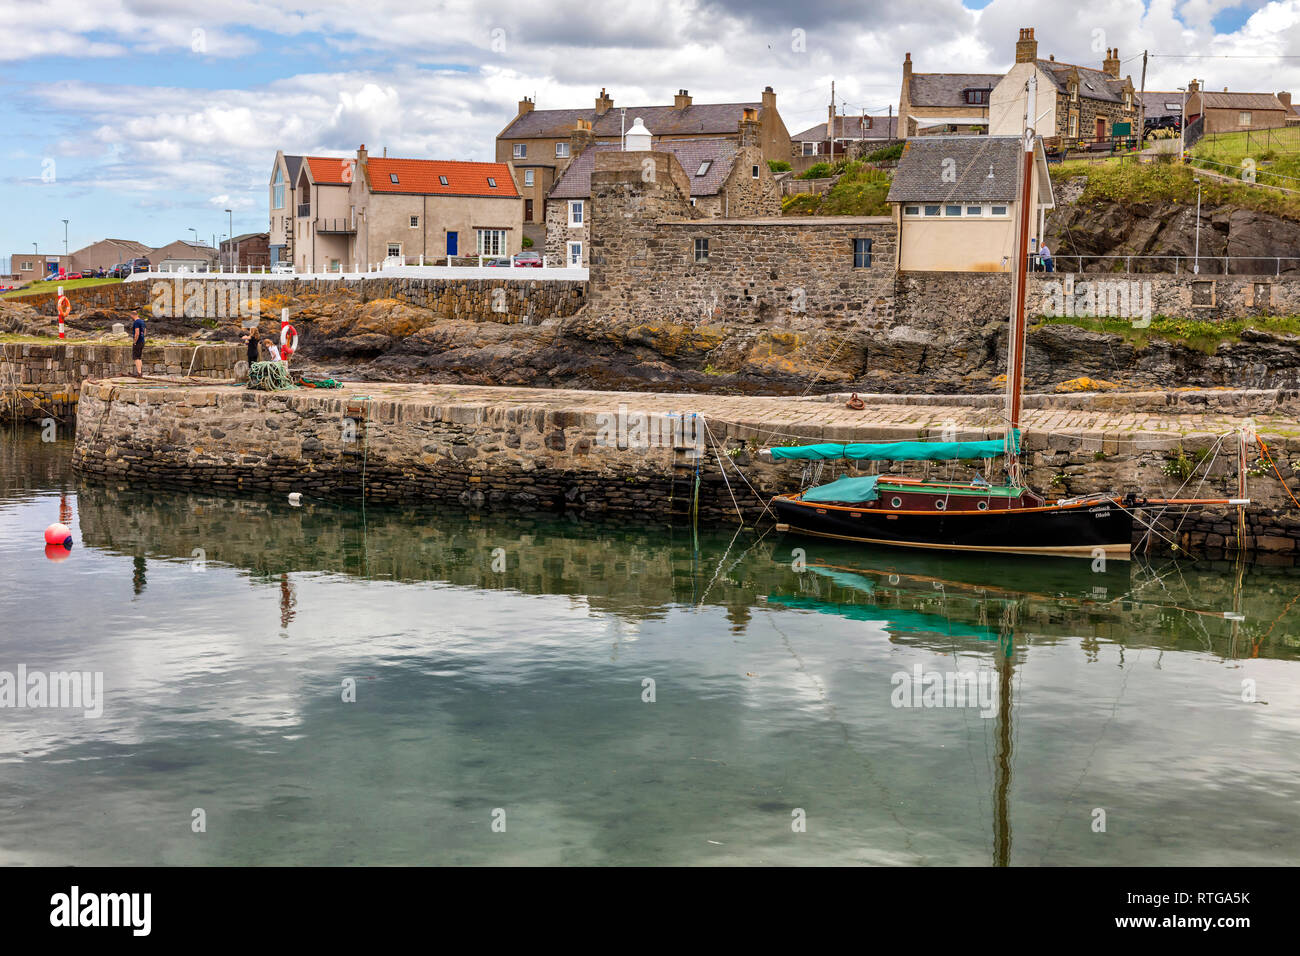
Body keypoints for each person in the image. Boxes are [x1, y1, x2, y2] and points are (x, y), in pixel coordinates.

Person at [130, 310, 146, 376]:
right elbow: (145, 331)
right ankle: (140, 372)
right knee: (139, 357)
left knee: (136, 358)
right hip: (142, 341)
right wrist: (142, 337)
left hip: (138, 342)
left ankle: (139, 373)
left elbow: (137, 333)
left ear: (132, 315)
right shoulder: (142, 321)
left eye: (131, 316)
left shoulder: (136, 322)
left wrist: (134, 342)